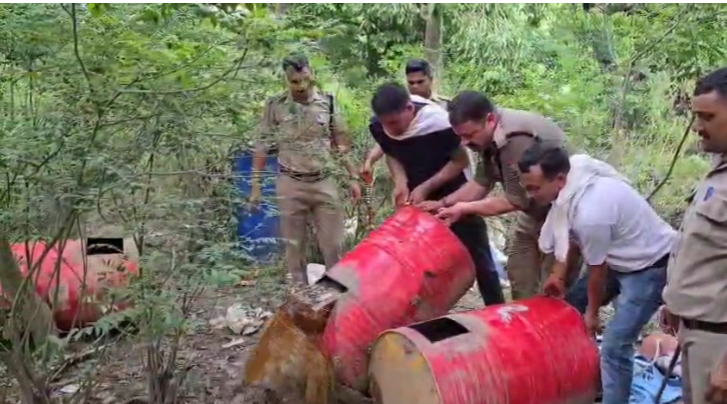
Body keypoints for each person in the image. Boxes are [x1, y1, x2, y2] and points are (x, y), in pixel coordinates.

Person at [519, 144, 674, 404]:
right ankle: (573, 380)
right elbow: (571, 236)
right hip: (619, 257)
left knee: (615, 346)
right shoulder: (572, 185)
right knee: (567, 310)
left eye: (535, 188)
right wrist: (558, 275)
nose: (530, 195)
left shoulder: (591, 213)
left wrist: (592, 314)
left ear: (559, 179)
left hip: (650, 266)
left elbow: (596, 270)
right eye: (527, 187)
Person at [421, 91, 571, 300]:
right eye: (461, 136)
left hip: (563, 214)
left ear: (490, 120)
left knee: (552, 286)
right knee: (519, 273)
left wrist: (463, 208)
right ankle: (522, 317)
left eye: (469, 135)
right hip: (534, 213)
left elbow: (515, 200)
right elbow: (480, 183)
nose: (465, 143)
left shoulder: (514, 141)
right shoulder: (487, 138)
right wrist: (442, 204)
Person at [369, 82, 505, 305]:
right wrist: (401, 181)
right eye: (386, 124)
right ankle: (418, 312)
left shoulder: (440, 124)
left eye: (394, 122)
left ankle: (496, 308)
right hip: (415, 198)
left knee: (478, 256)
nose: (390, 129)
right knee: (416, 259)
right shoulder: (378, 125)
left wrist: (427, 187)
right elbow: (390, 151)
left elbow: (460, 161)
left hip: (454, 192)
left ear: (409, 109)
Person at [250, 54, 362, 285]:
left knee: (333, 245)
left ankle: (335, 295)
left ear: (312, 74)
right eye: (295, 82)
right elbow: (262, 145)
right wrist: (256, 186)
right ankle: (300, 294)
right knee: (294, 248)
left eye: (305, 79)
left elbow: (341, 144)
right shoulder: (275, 106)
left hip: (324, 181)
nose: (301, 86)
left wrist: (353, 176)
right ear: (286, 79)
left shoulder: (328, 102)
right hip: (290, 183)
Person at [662, 67, 727, 404]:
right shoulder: (719, 169)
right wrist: (675, 300)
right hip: (695, 331)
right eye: (696, 116)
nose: (697, 127)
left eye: (708, 117)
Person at [360, 59, 454, 178]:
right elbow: (387, 140)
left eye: (420, 82)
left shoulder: (445, 107)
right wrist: (370, 160)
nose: (415, 86)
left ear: (431, 80)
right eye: (411, 83)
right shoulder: (397, 108)